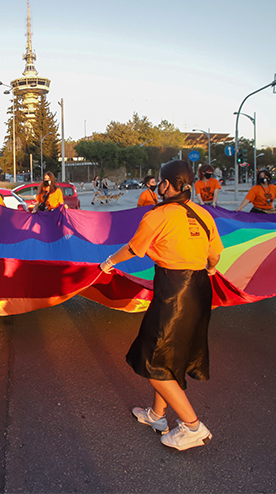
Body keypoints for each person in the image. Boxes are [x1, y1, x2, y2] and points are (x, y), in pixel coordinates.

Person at [100, 160, 223, 451]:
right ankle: (157, 415)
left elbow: (134, 247)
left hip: (174, 292)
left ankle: (193, 427)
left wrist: (108, 263)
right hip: (200, 289)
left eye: (160, 181)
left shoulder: (161, 214)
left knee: (153, 357)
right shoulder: (203, 214)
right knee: (171, 354)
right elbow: (214, 255)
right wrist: (210, 269)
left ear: (166, 185)